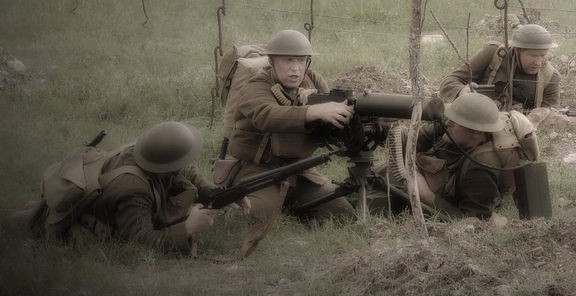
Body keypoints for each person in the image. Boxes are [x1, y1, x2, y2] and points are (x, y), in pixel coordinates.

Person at [18, 121, 242, 254]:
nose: (184, 165)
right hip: (74, 222)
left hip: (99, 199)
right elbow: (139, 241)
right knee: (18, 223)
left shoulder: (146, 152)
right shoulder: (133, 190)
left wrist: (216, 193)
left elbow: (184, 170)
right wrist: (187, 229)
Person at [225, 29, 356, 221]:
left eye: (301, 60)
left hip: (300, 170)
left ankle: (290, 204)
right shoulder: (256, 86)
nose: (295, 68)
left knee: (343, 214)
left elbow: (330, 120)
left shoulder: (314, 81)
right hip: (259, 170)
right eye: (288, 60)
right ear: (272, 62)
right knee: (252, 217)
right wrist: (312, 111)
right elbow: (265, 115)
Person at [411, 93, 506, 219]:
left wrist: (426, 194)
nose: (448, 122)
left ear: (476, 132)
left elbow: (472, 221)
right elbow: (409, 142)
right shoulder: (449, 130)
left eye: (456, 121)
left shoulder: (482, 165)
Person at [439, 24, 561, 110]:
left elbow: (550, 113)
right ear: (517, 50)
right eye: (533, 56)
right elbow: (449, 81)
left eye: (543, 56)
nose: (539, 63)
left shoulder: (550, 77)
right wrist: (461, 91)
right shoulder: (494, 54)